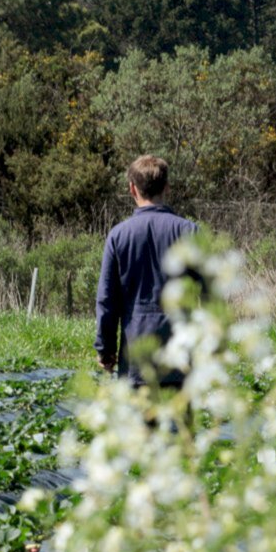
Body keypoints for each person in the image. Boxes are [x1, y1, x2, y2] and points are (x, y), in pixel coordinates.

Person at [95, 155, 198, 387]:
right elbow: (211, 295)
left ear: (132, 189)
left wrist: (105, 350)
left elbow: (106, 301)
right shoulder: (190, 232)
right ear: (167, 188)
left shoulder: (118, 235)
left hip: (135, 361)